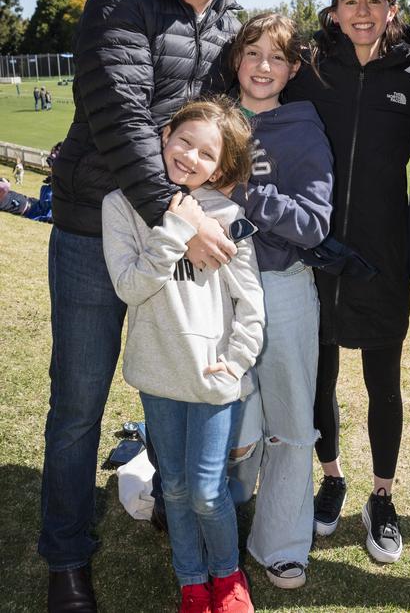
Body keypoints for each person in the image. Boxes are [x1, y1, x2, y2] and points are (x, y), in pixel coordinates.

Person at [41, 0, 261, 613]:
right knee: (79, 404)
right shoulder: (120, 1)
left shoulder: (228, 23)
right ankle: (68, 558)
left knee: (175, 374)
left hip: (176, 237)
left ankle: (184, 511)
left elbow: (251, 92)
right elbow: (122, 119)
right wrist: (187, 218)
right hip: (91, 230)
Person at [102, 96, 263, 613]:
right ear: (166, 134)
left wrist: (237, 361)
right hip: (157, 373)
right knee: (172, 487)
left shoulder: (229, 215)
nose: (190, 157)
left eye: (206, 154)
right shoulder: (120, 206)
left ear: (222, 167)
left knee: (207, 491)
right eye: (184, 141)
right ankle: (192, 581)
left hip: (213, 377)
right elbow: (129, 286)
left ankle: (228, 578)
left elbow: (250, 304)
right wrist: (175, 230)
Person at [286, 0, 410, 564]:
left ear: (392, 9)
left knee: (382, 385)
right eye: (351, 0)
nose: (362, 11)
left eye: (375, 0)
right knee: (320, 377)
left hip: (386, 258)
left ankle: (382, 496)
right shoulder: (309, 72)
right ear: (334, 11)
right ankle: (333, 477)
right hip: (316, 255)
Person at [226, 13, 333, 589]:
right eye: (251, 53)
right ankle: (210, 516)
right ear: (236, 59)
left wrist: (245, 189)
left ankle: (282, 544)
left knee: (291, 421)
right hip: (215, 289)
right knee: (228, 417)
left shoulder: (302, 127)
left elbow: (313, 225)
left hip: (282, 285)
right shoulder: (212, 119)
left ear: (293, 69)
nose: (262, 67)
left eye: (276, 57)